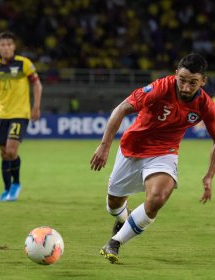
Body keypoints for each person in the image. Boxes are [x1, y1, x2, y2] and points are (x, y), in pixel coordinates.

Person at [90, 53, 215, 264]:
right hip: (132, 149)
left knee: (158, 197)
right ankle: (123, 218)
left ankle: (115, 242)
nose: (185, 87)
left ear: (203, 81)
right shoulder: (159, 88)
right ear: (175, 74)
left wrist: (209, 175)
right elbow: (121, 109)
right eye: (182, 80)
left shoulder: (205, 105)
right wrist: (104, 146)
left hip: (164, 153)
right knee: (113, 205)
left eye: (192, 83)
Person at [0, 31, 42, 202]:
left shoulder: (23, 64)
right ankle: (6, 190)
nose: (6, 48)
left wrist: (36, 106)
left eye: (9, 44)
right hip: (1, 115)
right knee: (3, 154)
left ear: (14, 47)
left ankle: (16, 184)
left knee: (11, 151)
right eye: (2, 45)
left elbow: (37, 84)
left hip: (20, 114)